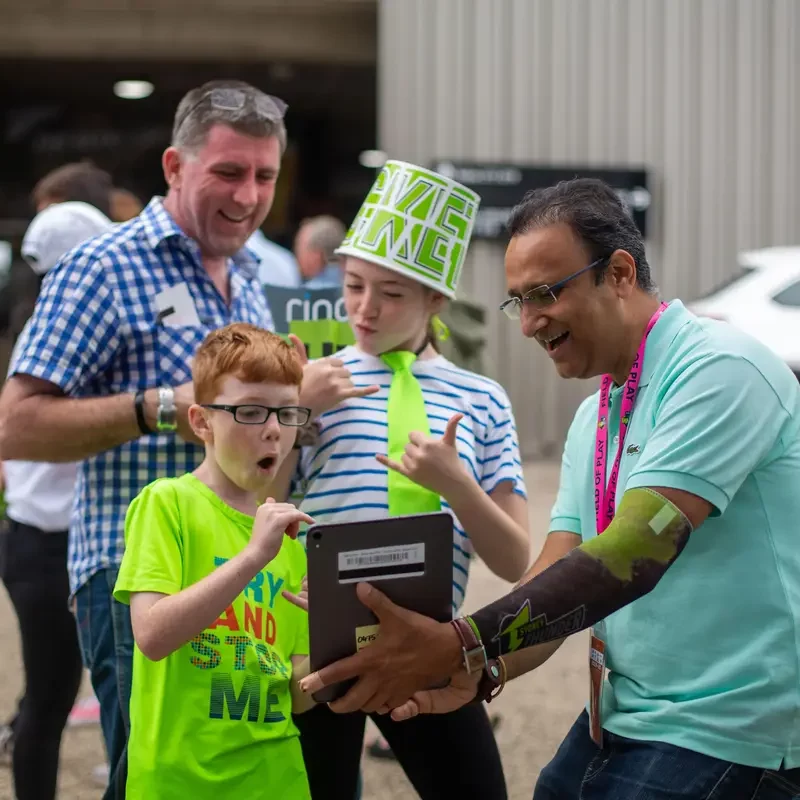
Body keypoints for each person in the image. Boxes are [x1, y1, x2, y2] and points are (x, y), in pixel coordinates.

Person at [296, 178, 800, 799]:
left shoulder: (721, 367)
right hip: (621, 716)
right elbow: (555, 572)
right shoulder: (596, 415)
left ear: (618, 272)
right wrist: (483, 668)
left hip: (729, 732)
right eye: (517, 302)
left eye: (543, 294)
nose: (529, 323)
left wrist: (459, 645)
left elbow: (636, 550)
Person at [0, 79, 370, 800]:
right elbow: (16, 425)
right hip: (138, 570)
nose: (249, 195)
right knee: (155, 775)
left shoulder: (257, 272)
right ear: (175, 167)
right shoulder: (104, 267)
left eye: (265, 176)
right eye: (228, 173)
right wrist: (166, 406)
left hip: (254, 570)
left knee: (241, 761)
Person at [289, 160, 530, 799]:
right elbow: (253, 504)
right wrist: (296, 413)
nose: (365, 309)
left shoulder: (481, 399)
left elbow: (513, 559)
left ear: (437, 301)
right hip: (312, 644)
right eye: (353, 285)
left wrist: (458, 486)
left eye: (392, 293)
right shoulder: (311, 383)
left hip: (425, 644)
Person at [113, 322, 316, 798]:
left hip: (277, 780)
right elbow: (152, 635)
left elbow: (297, 693)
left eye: (287, 413)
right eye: (250, 411)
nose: (273, 431)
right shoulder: (167, 505)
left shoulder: (291, 542)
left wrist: (340, 635)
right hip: (179, 783)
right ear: (202, 421)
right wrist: (251, 557)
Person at [0, 200, 114, 800]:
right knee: (48, 700)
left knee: (46, 699)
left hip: (42, 540)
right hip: (47, 544)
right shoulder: (57, 338)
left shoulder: (34, 330)